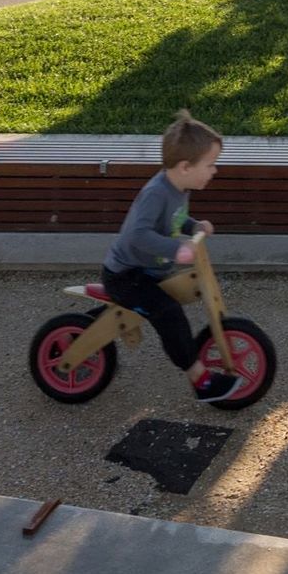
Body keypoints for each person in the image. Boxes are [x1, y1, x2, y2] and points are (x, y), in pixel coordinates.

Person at [102, 110, 240, 401]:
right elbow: (138, 235)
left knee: (180, 293)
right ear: (186, 166)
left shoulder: (180, 187)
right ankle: (200, 381)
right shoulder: (157, 193)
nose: (214, 171)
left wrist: (194, 225)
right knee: (169, 313)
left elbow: (173, 220)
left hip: (149, 271)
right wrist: (175, 248)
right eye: (211, 165)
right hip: (127, 276)